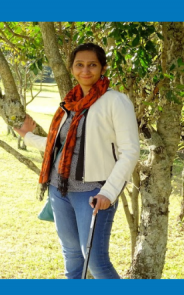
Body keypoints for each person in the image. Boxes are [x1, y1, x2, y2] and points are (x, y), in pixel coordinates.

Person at [14, 43, 140, 279]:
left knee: (96, 262)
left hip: (93, 193)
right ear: (72, 68)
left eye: (92, 65)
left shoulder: (115, 101)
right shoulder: (69, 103)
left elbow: (130, 151)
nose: (85, 70)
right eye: (79, 65)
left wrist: (108, 193)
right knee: (72, 257)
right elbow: (58, 146)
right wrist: (28, 136)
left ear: (102, 68)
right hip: (59, 190)